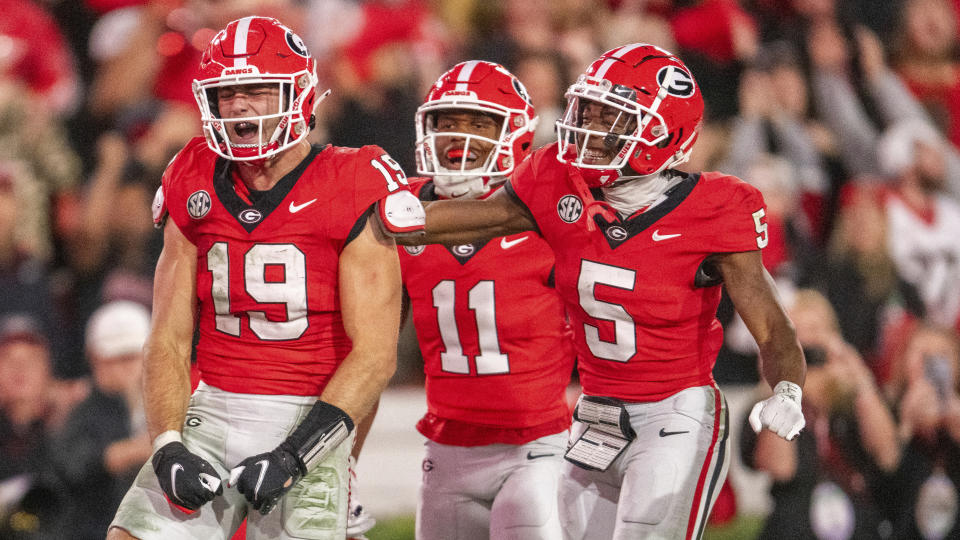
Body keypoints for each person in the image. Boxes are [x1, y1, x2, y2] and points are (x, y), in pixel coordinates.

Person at [400, 43, 807, 539]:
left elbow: (770, 323)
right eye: (586, 110)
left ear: (660, 133)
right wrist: (374, 217)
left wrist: (787, 387)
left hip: (675, 414)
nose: (586, 128)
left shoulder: (717, 207)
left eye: (608, 116)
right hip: (595, 416)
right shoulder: (556, 180)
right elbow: (469, 217)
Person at [107, 16, 423, 540]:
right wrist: (166, 445)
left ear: (297, 94)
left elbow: (374, 355)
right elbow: (167, 336)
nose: (237, 105)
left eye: (254, 89)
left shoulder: (354, 178)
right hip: (214, 404)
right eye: (226, 92)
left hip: (311, 414)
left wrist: (296, 456)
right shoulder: (194, 172)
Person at [399, 60, 575, 539]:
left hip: (535, 446)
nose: (461, 136)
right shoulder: (401, 210)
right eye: (448, 121)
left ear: (515, 133)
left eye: (481, 123)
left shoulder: (549, 212)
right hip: (446, 446)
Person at [49, 300, 154, 540]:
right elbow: (70, 466)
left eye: (131, 357)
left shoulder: (168, 399)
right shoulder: (84, 410)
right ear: (93, 358)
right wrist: (126, 452)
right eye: (114, 358)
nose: (125, 368)